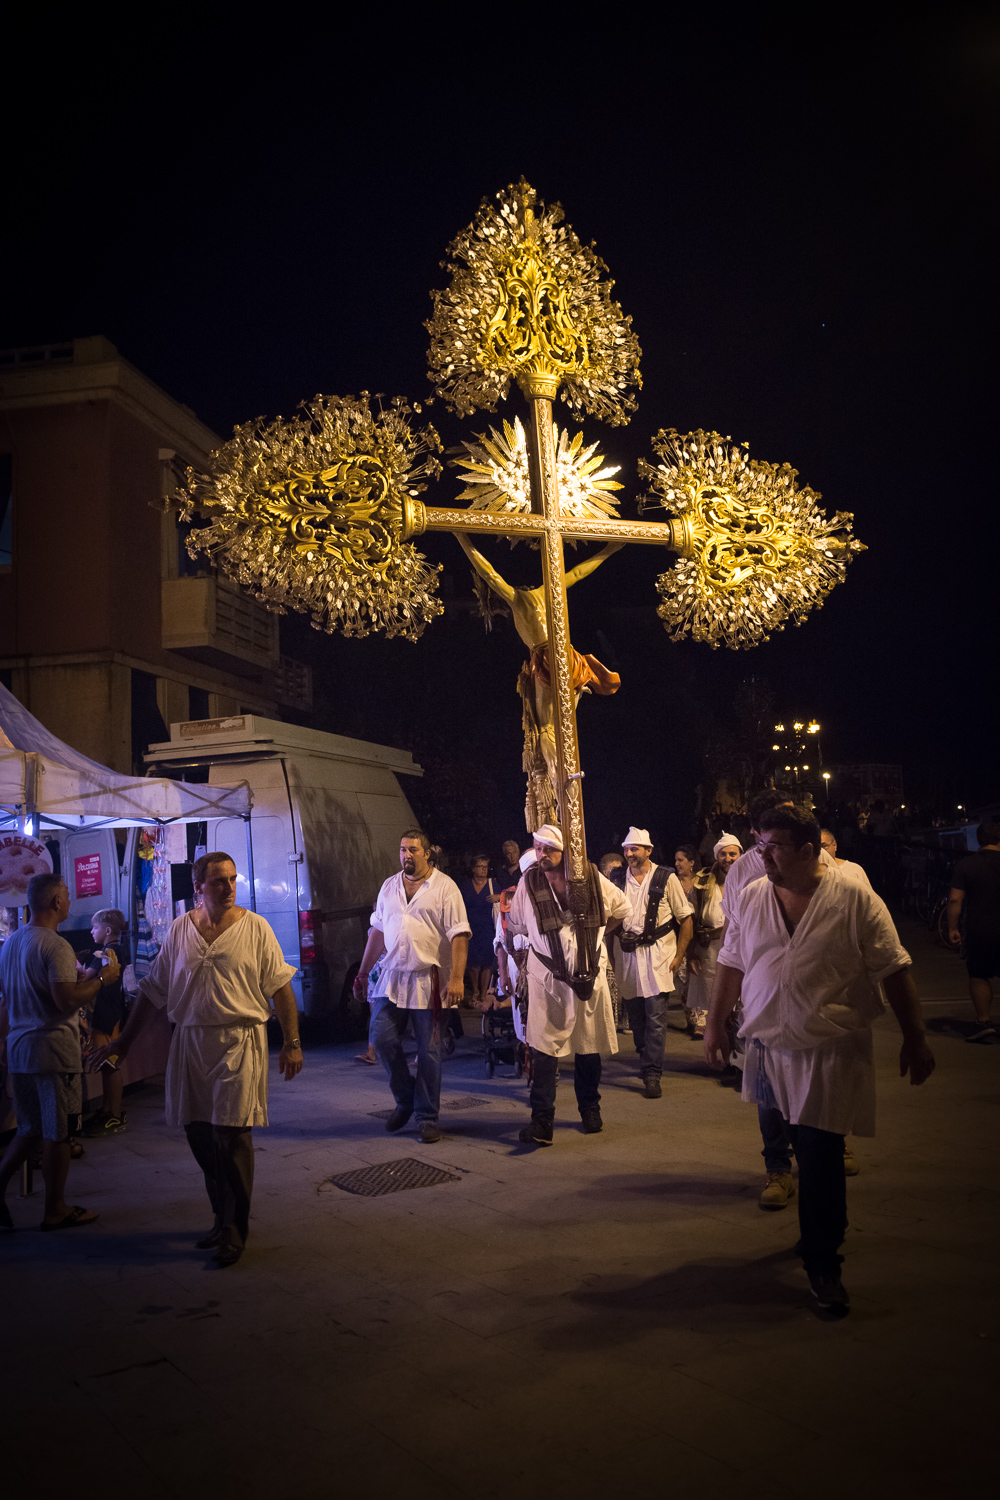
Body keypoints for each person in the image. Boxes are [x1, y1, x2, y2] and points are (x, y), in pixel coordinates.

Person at [705, 805, 935, 1316]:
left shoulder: (854, 897)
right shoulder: (752, 896)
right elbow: (732, 962)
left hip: (829, 1047)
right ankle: (810, 1217)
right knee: (789, 1135)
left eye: (774, 848)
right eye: (760, 846)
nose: (762, 856)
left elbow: (894, 968)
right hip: (769, 1044)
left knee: (819, 1150)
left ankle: (824, 1261)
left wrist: (915, 1038)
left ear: (808, 851)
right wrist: (715, 1023)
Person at [96, 852, 302, 1267]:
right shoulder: (179, 930)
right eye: (219, 881)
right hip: (190, 1039)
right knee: (199, 1133)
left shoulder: (255, 928)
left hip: (239, 1039)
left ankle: (234, 1229)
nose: (228, 887)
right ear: (198, 888)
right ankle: (220, 1216)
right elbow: (154, 991)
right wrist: (123, 1043)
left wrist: (292, 1041)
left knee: (231, 1134)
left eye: (232, 879)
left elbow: (280, 986)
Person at [0, 872, 120, 1231]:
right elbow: (65, 1000)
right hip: (53, 1051)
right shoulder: (55, 945)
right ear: (55, 901)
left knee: (30, 1129)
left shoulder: (12, 943)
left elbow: (16, 998)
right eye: (66, 895)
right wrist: (102, 980)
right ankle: (55, 1209)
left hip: (21, 1049)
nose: (69, 900)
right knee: (59, 1132)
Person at [507, 824, 630, 1144]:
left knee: (589, 1047)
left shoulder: (590, 877)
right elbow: (517, 924)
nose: (542, 854)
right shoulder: (528, 882)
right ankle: (542, 1121)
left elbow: (621, 909)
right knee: (543, 1051)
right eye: (538, 848)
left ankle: (590, 1110)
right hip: (546, 979)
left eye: (549, 849)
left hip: (588, 976)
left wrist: (595, 935)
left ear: (566, 852)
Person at [354, 830, 470, 1145]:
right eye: (403, 849)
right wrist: (363, 973)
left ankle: (427, 1117)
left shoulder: (445, 887)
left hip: (430, 979)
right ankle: (406, 1099)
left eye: (413, 850)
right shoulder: (389, 886)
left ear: (427, 854)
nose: (407, 855)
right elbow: (377, 931)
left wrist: (457, 978)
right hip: (392, 976)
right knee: (381, 1037)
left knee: (429, 1051)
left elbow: (460, 935)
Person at [610, 827, 693, 1098]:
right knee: (636, 1017)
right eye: (626, 849)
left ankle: (652, 1072)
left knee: (656, 1016)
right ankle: (645, 1058)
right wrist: (611, 955)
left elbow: (686, 919)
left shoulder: (666, 878)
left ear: (648, 850)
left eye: (635, 849)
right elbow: (608, 920)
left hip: (658, 954)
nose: (629, 854)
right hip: (628, 956)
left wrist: (679, 956)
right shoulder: (617, 878)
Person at [78, 908, 131, 1137]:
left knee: (109, 1064)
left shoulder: (106, 952)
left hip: (105, 1013)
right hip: (112, 1011)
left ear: (107, 930)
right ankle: (108, 1110)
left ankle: (115, 1114)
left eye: (95, 927)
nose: (92, 931)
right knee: (107, 1063)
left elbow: (86, 978)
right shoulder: (117, 950)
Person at [947, 820, 1000, 1042]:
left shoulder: (966, 865)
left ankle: (983, 1022)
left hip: (981, 929)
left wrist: (953, 928)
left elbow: (955, 899)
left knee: (979, 974)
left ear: (979, 840)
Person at [685, 834, 742, 1039]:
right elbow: (691, 917)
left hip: (740, 946)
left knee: (739, 995)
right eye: (723, 854)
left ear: (740, 855)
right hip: (709, 947)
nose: (728, 858)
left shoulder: (749, 878)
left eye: (733, 854)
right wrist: (691, 952)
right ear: (716, 856)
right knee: (712, 995)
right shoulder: (702, 880)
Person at [460, 856, 499, 1005]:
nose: (483, 869)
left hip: (488, 928)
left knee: (487, 961)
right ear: (473, 869)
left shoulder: (493, 884)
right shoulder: (465, 886)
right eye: (480, 866)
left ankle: (483, 992)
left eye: (485, 866)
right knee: (473, 961)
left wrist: (499, 896)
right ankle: (475, 991)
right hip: (470, 927)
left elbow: (506, 897)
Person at [672, 844, 701, 1034]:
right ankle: (692, 1020)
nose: (677, 864)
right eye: (675, 860)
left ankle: (701, 1022)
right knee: (683, 980)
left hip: (698, 937)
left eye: (681, 860)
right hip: (677, 936)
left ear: (691, 862)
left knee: (698, 979)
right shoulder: (673, 882)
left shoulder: (701, 882)